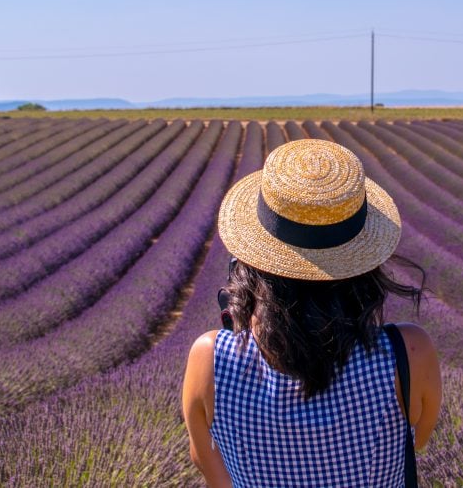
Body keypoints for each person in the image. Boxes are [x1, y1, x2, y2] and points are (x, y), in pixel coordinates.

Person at [182, 138, 442, 487]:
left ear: (250, 266)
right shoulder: (409, 354)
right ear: (364, 269)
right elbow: (416, 441)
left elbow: (209, 465)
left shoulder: (211, 360)